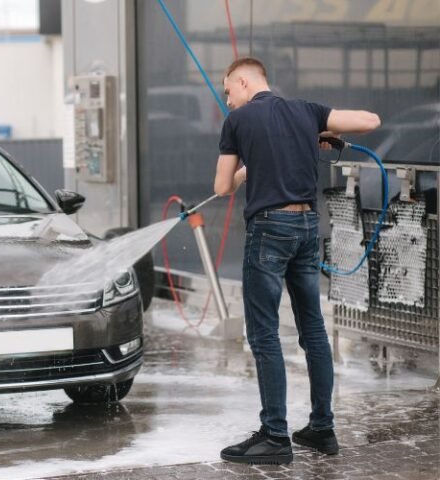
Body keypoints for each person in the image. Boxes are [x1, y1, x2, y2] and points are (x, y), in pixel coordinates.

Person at [213, 57, 381, 465]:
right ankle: (322, 429)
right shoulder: (307, 111)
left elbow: (220, 187)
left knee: (265, 335)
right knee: (314, 331)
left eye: (227, 91)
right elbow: (371, 121)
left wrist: (244, 172)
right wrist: (318, 130)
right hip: (307, 227)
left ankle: (274, 436)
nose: (228, 100)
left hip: (269, 231)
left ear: (243, 80)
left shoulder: (237, 122)